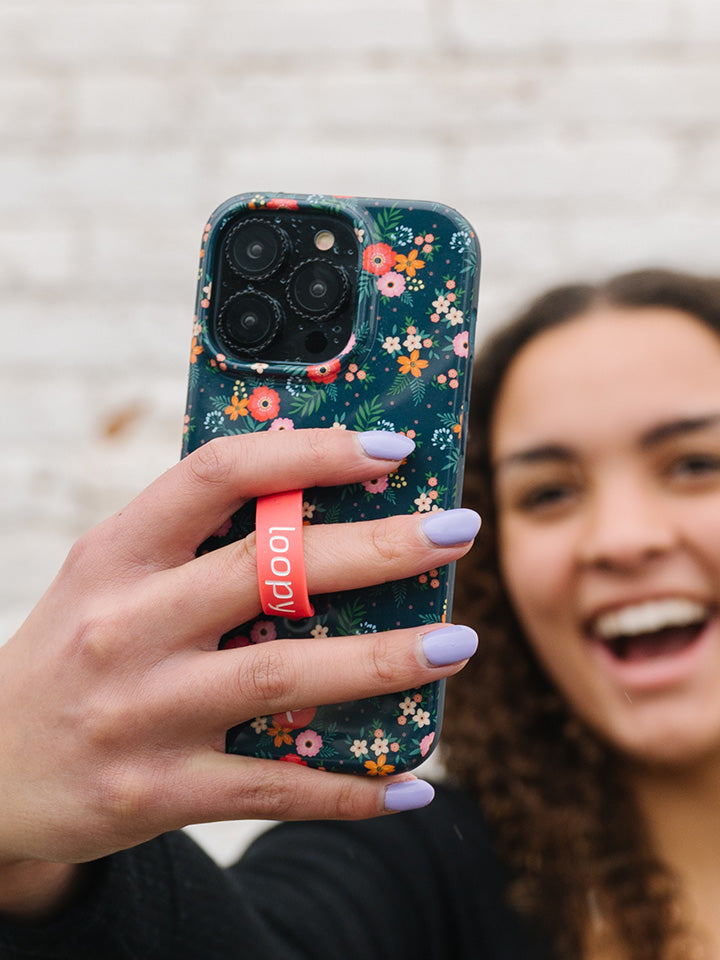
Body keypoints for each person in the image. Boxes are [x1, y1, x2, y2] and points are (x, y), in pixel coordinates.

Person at [2, 267, 719, 959]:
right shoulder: (415, 863)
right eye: (549, 493)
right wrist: (20, 842)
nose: (623, 540)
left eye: (695, 465)